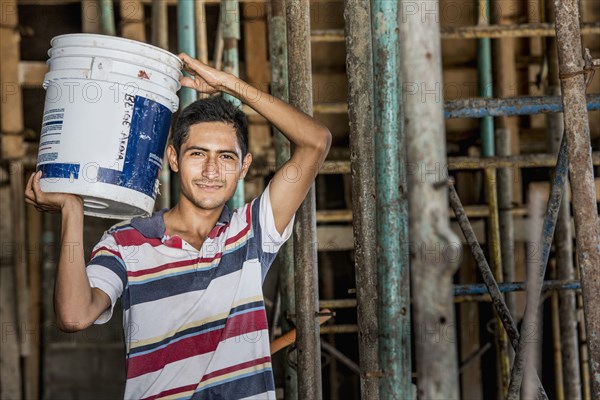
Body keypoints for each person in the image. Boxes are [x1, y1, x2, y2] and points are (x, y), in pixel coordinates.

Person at [25, 53, 332, 400]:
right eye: (198, 154)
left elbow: (316, 142)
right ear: (173, 157)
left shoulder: (251, 231)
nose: (212, 171)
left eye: (226, 157)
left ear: (244, 166)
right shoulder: (126, 241)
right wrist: (72, 208)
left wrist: (229, 85)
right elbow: (74, 316)